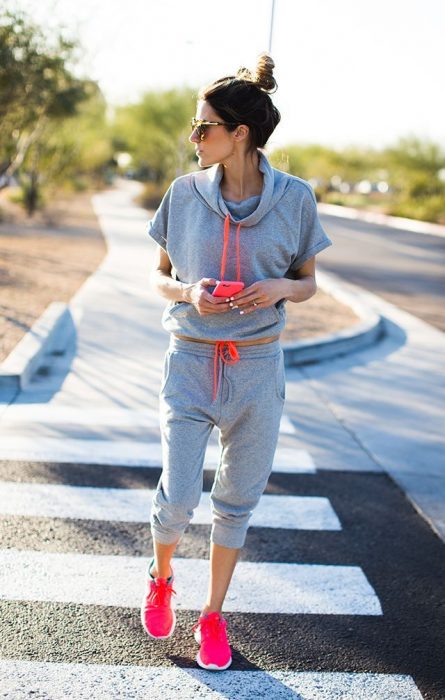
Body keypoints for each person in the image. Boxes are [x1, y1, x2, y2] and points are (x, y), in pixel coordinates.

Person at [141, 52, 332, 671]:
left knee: (236, 502)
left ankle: (213, 615)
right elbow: (159, 277)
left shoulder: (296, 199)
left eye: (203, 128)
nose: (193, 138)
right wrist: (189, 291)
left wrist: (279, 288)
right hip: (191, 360)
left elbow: (306, 283)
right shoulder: (183, 194)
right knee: (177, 500)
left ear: (238, 133)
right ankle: (162, 575)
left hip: (257, 369)